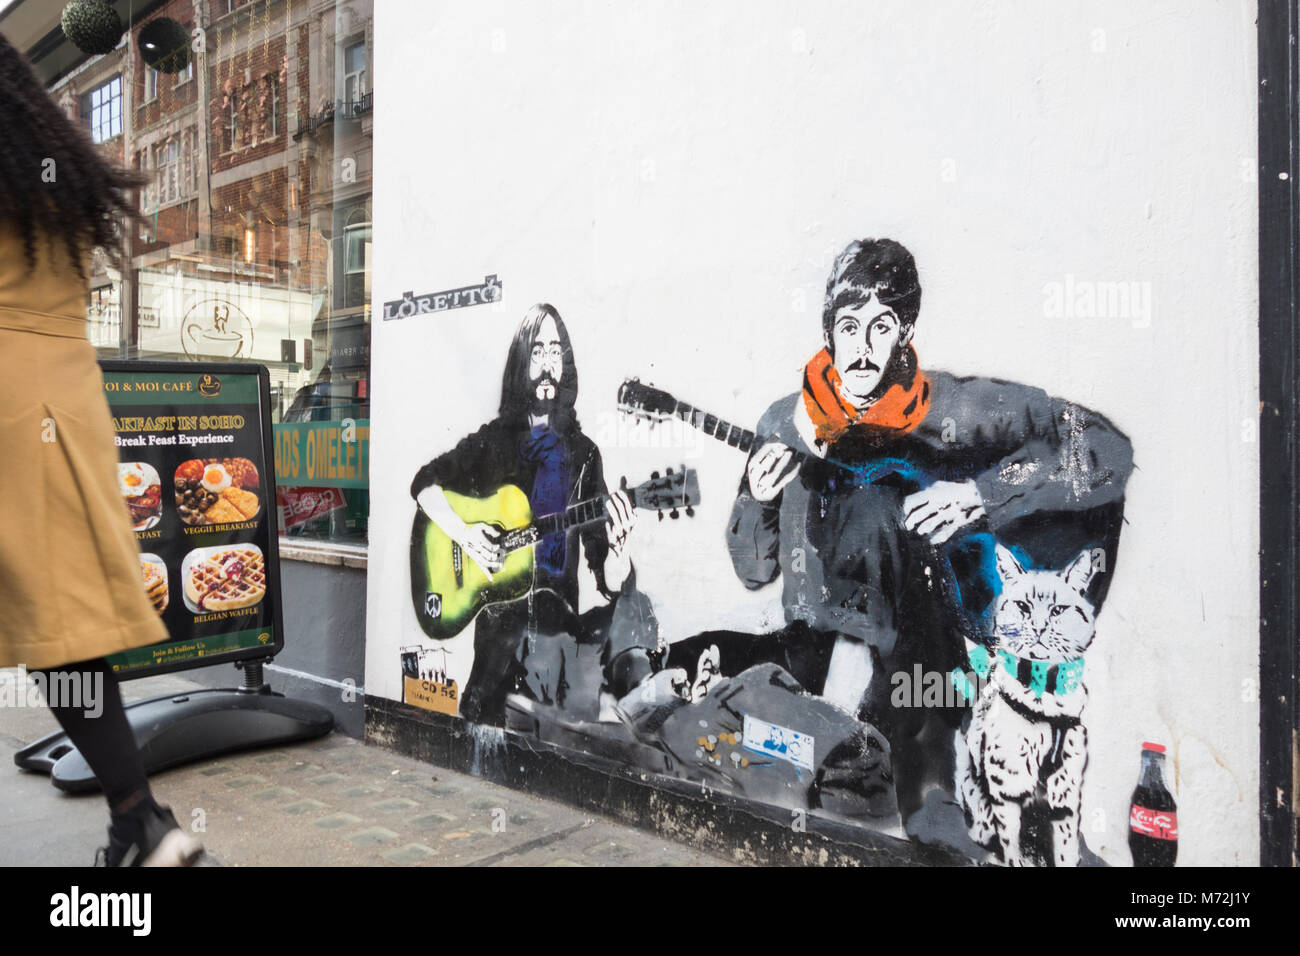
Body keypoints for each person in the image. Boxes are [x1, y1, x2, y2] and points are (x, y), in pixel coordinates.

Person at [673, 237, 1133, 823]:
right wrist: (758, 501)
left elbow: (1104, 447)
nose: (862, 349)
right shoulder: (781, 423)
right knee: (697, 692)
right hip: (814, 665)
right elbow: (753, 566)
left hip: (919, 670)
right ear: (828, 330)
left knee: (872, 507)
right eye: (848, 326)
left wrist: (979, 496)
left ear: (905, 332)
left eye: (882, 326)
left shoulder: (956, 412)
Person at [0, 34, 203, 866]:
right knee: (58, 633)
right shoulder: (53, 170)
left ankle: (142, 821)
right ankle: (137, 820)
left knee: (51, 628)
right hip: (69, 397)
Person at [410, 304, 641, 724]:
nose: (548, 364)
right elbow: (424, 485)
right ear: (521, 363)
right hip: (498, 646)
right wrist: (465, 536)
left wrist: (620, 549)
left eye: (556, 351)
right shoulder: (495, 442)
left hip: (556, 650)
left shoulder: (584, 455)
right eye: (537, 352)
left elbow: (606, 578)